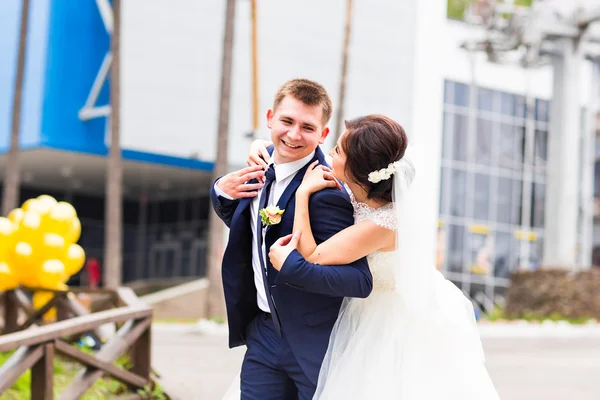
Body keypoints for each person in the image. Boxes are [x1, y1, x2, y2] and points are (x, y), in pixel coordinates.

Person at [254, 115, 500, 399]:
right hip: (364, 309)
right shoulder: (357, 192)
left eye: (338, 151)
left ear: (357, 169)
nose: (331, 153)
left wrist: (302, 194)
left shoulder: (384, 223)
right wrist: (260, 145)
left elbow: (312, 255)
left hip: (390, 317)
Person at [211, 78, 373, 400]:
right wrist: (220, 192)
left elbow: (358, 280)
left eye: (307, 127)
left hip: (314, 343)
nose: (294, 134)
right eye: (287, 121)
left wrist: (294, 267)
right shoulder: (260, 164)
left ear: (323, 135)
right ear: (270, 118)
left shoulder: (327, 194)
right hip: (263, 334)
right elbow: (253, 232)